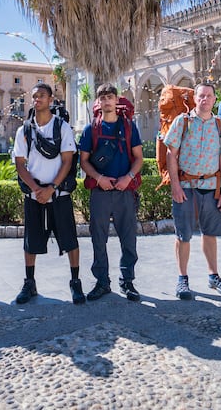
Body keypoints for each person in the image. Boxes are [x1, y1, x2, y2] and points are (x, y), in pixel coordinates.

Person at [13, 84, 85, 305]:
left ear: (51, 99)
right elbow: (20, 164)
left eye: (41, 96)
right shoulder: (23, 130)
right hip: (35, 194)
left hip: (59, 193)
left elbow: (67, 161)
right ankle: (29, 282)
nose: (37, 99)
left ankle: (75, 282)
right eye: (34, 96)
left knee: (69, 238)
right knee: (30, 240)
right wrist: (36, 189)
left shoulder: (62, 127)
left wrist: (52, 187)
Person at [163, 82, 221, 300]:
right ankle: (182, 279)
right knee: (183, 234)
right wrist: (175, 184)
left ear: (214, 99)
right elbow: (170, 154)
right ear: (195, 99)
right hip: (185, 186)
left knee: (210, 234)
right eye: (201, 96)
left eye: (209, 96)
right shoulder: (182, 122)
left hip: (211, 187)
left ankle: (214, 276)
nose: (204, 99)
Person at [79, 84, 144, 302]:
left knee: (128, 238)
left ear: (116, 100)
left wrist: (128, 178)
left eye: (110, 97)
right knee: (99, 238)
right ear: (98, 102)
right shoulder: (91, 129)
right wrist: (99, 178)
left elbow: (138, 158)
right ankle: (102, 282)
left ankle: (127, 281)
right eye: (103, 98)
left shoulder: (128, 127)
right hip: (100, 192)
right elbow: (84, 161)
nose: (106, 101)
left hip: (125, 190)